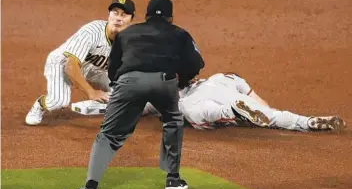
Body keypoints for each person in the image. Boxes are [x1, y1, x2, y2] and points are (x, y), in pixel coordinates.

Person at [64, 0, 205, 189]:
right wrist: (179, 82)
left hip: (128, 82)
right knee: (173, 120)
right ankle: (173, 178)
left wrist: (122, 86)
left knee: (108, 135)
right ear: (171, 17)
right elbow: (196, 64)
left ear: (146, 16)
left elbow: (112, 69)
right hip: (164, 82)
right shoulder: (181, 34)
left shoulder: (128, 33)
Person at [25, 0, 136, 126]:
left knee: (121, 92)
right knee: (58, 101)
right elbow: (70, 66)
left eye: (124, 15)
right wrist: (91, 92)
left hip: (93, 69)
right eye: (115, 13)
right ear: (108, 15)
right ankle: (40, 104)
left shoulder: (131, 40)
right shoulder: (92, 32)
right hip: (62, 64)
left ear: (131, 19)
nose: (118, 18)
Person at [142, 72, 346, 132]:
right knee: (272, 115)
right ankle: (307, 122)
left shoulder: (170, 96)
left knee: (204, 113)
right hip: (220, 85)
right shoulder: (221, 77)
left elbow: (143, 107)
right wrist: (264, 110)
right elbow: (249, 91)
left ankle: (231, 112)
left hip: (192, 102)